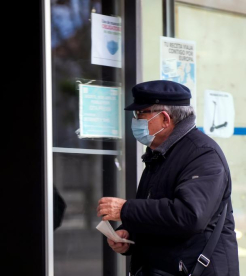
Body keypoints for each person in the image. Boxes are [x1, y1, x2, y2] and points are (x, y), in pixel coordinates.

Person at [96, 80, 239, 276]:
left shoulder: (202, 154)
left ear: (164, 118)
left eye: (140, 114)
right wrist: (129, 235)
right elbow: (157, 212)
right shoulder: (160, 152)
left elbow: (189, 215)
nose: (135, 120)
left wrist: (126, 210)